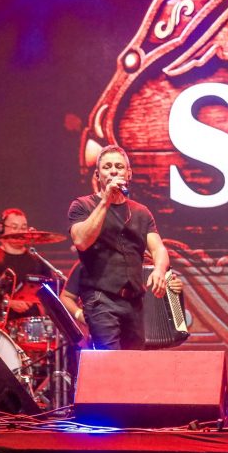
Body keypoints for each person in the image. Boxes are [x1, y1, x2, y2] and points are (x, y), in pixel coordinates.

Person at [68, 145, 169, 350]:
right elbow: (81, 241)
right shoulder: (82, 206)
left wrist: (159, 269)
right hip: (100, 299)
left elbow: (158, 249)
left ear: (128, 173)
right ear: (97, 175)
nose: (113, 171)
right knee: (111, 361)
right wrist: (106, 200)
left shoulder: (141, 212)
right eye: (107, 167)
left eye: (119, 166)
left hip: (134, 302)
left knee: (133, 363)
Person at [0, 208, 53, 320]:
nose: (20, 232)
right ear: (2, 229)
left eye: (23, 228)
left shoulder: (37, 260)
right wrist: (9, 303)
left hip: (32, 325)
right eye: (14, 227)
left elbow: (51, 293)